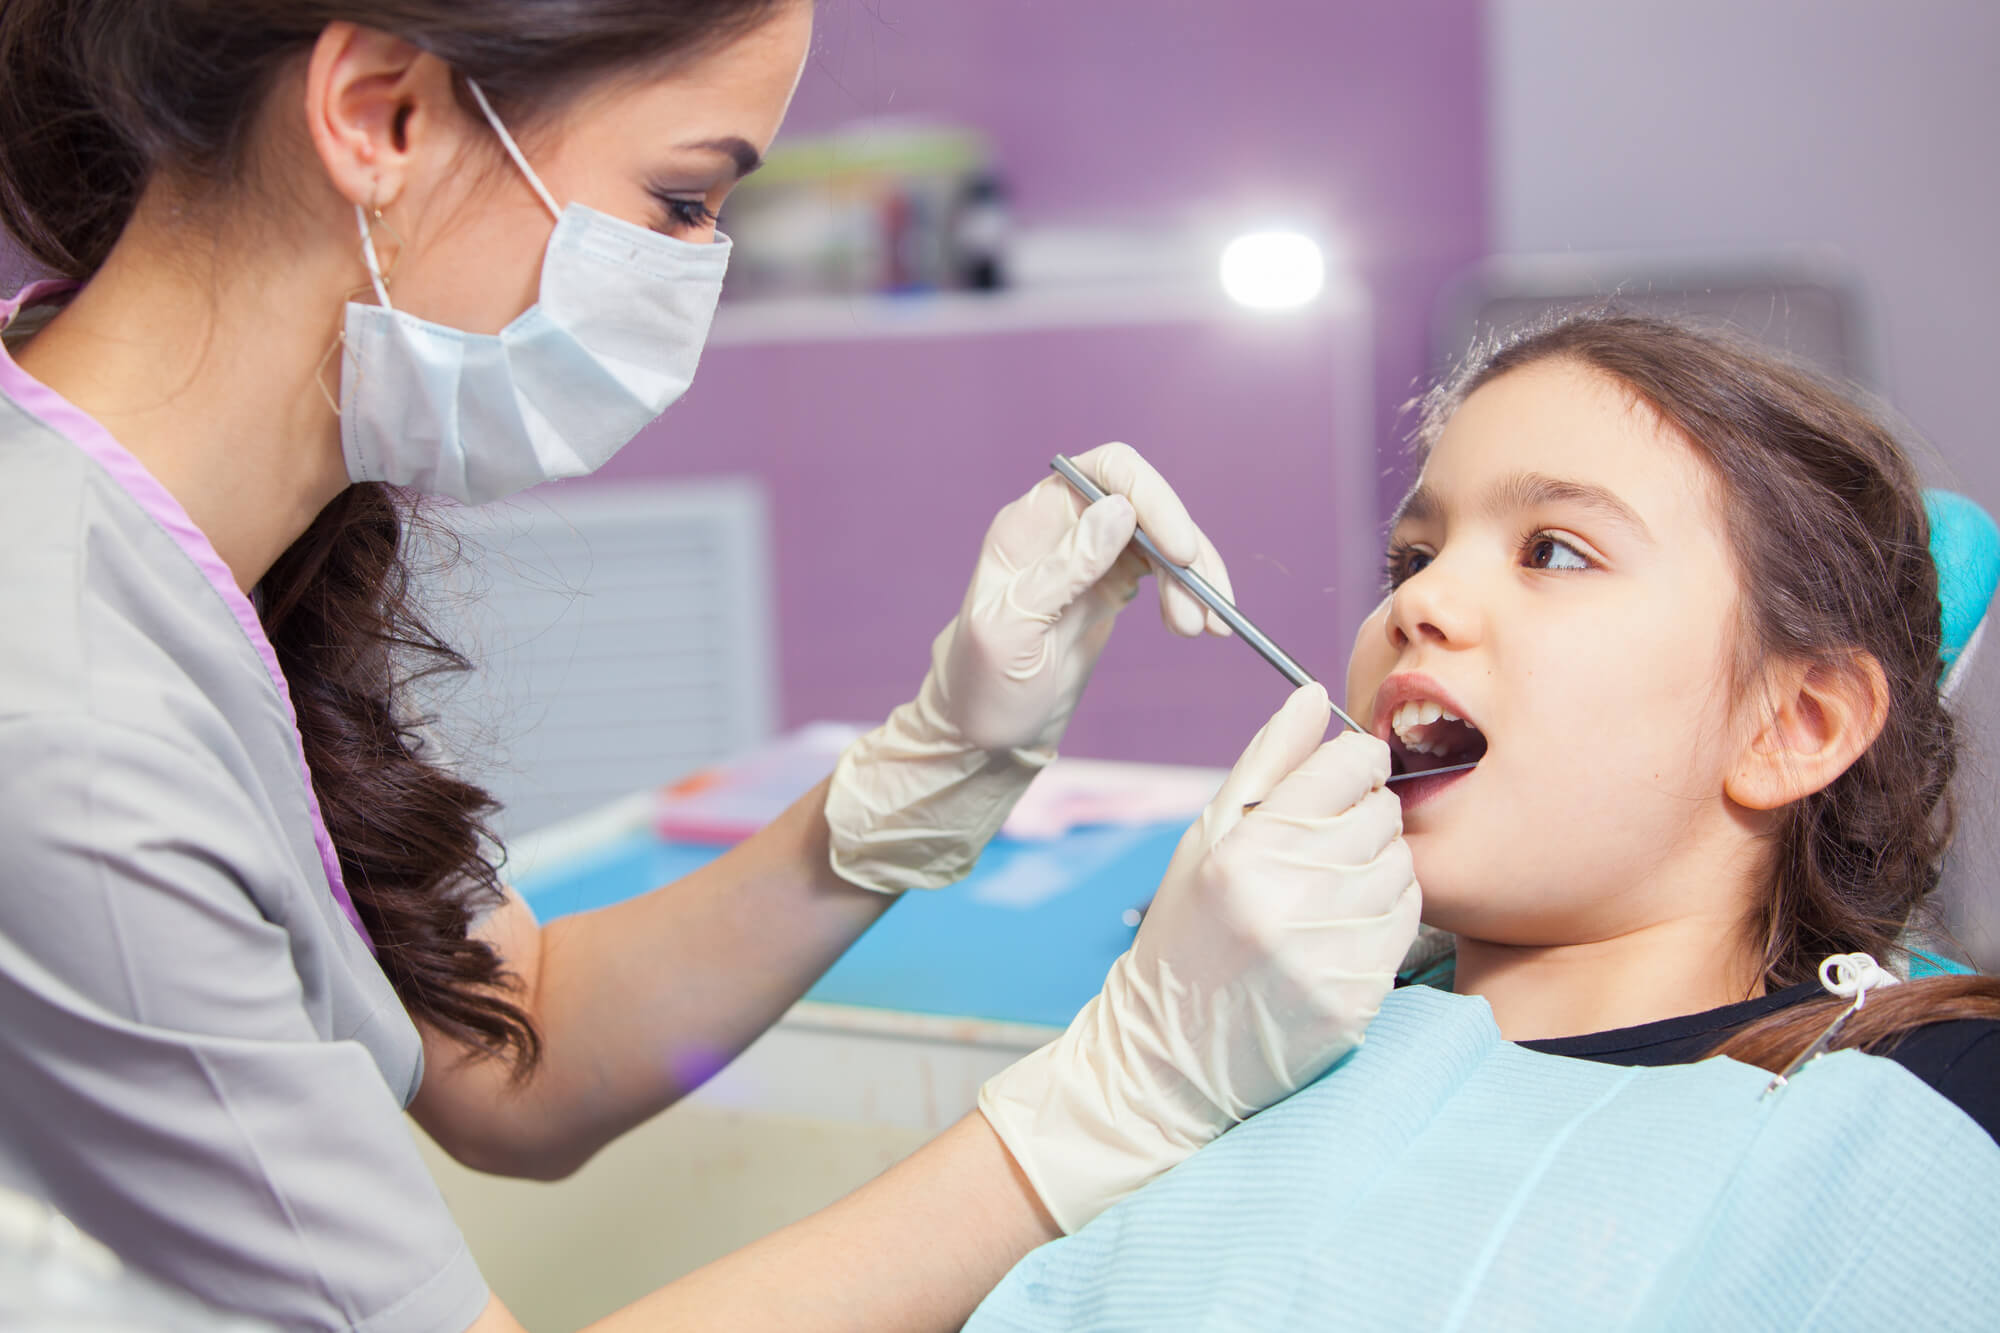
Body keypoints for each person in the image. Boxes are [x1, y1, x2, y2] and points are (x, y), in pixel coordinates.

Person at [0, 3, 1422, 1330]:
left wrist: (934, 767)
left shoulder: (175, 543)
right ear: (385, 118)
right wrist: (1112, 1105)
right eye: (681, 200)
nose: (693, 277)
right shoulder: (67, 723)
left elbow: (518, 1051)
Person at [968, 311, 2000, 1328]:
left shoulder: (1932, 1105)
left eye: (1552, 552)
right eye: (1411, 559)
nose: (1416, 604)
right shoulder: (1224, 1043)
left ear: (1791, 724)